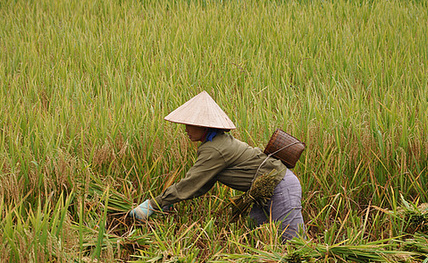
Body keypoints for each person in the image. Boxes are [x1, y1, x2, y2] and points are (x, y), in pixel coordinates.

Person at [130, 91, 305, 241]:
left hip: (279, 186)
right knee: (257, 236)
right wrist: (168, 202)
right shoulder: (216, 142)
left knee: (292, 242)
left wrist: (153, 204)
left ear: (204, 126)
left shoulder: (214, 149)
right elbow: (201, 186)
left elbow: (190, 183)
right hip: (264, 191)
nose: (186, 130)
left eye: (190, 125)